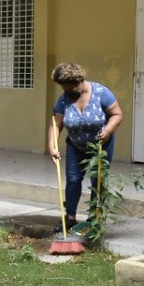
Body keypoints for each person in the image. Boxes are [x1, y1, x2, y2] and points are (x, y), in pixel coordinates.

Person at [47, 62, 123, 227]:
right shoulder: (64, 99)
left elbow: (117, 114)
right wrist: (52, 146)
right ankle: (70, 218)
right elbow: (56, 124)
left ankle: (95, 218)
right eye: (63, 88)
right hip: (76, 145)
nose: (65, 91)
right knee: (73, 179)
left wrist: (108, 130)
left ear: (79, 81)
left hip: (100, 146)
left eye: (69, 88)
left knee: (97, 180)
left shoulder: (101, 93)